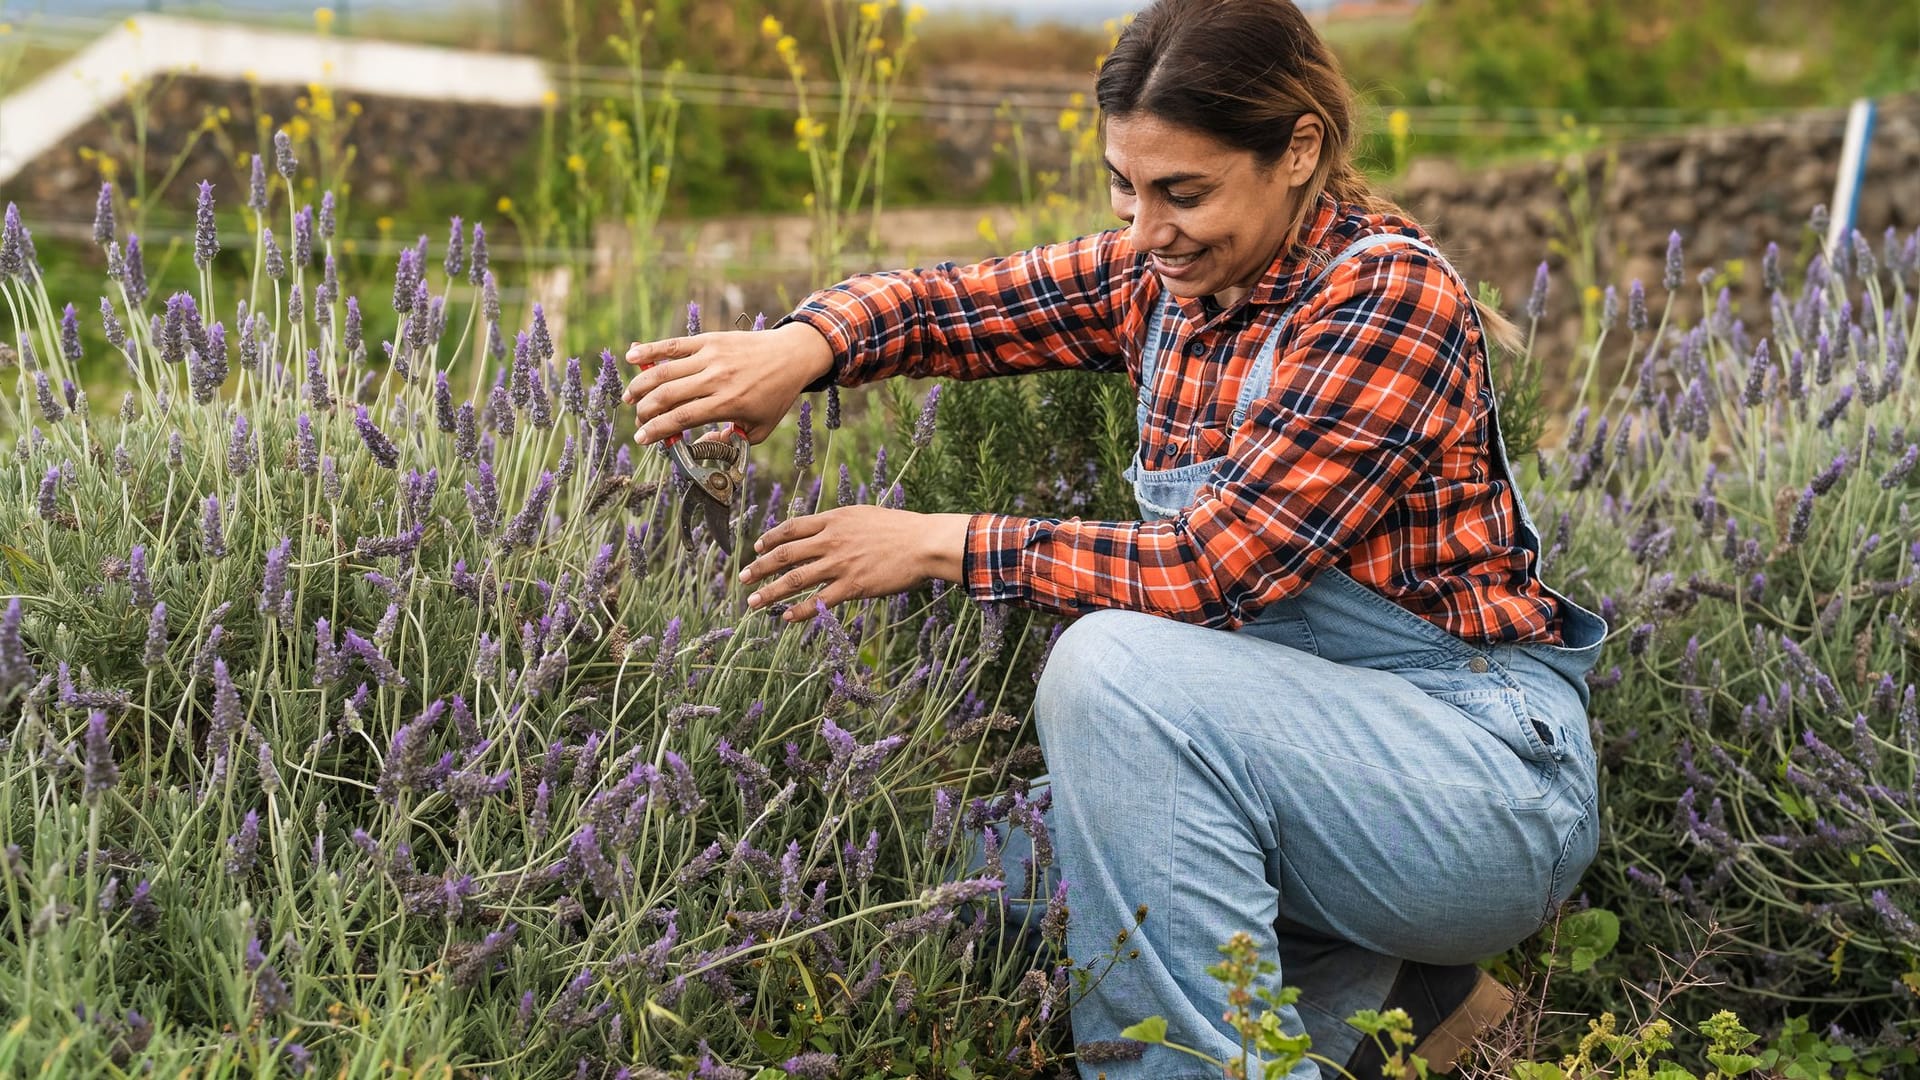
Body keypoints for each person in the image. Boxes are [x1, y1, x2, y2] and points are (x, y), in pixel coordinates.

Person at [621, 0, 1609, 1075]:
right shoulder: (1175, 281)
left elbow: (1214, 567)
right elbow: (950, 306)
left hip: (1472, 789)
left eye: (1184, 192)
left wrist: (942, 541)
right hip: (1296, 774)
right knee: (956, 873)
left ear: (1300, 150)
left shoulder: (1386, 297)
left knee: (1114, 668)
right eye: (1124, 189)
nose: (1146, 232)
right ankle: (1388, 995)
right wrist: (803, 345)